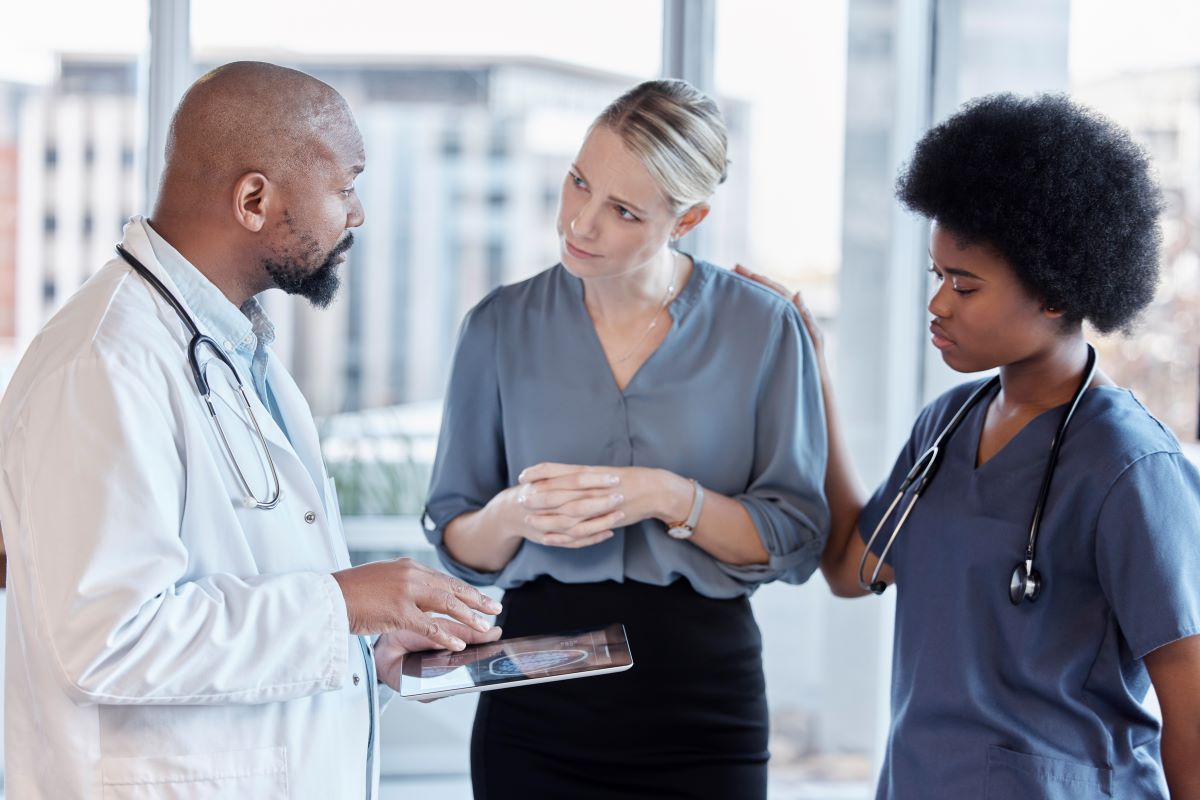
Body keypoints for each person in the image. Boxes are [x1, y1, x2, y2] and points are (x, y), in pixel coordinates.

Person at [0, 61, 503, 800]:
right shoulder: (103, 365)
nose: (356, 214)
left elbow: (250, 591)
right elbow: (108, 640)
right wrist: (345, 603)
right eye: (344, 186)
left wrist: (364, 645)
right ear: (255, 199)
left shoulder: (237, 353)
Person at [739, 93, 1200, 799]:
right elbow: (848, 570)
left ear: (1053, 293)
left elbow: (1190, 704)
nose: (938, 303)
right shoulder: (946, 424)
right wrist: (815, 371)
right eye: (937, 277)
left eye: (965, 284)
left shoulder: (1129, 466)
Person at [423, 79, 829, 800]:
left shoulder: (764, 328)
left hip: (703, 707)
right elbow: (459, 540)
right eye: (578, 182)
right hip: (534, 704)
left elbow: (795, 538)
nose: (580, 223)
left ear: (690, 217)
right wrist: (513, 515)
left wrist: (668, 496)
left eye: (623, 211)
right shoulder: (498, 326)